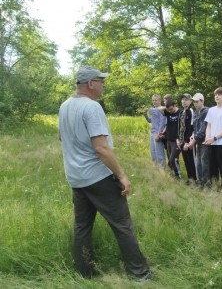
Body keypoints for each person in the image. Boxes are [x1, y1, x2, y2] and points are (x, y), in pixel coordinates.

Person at [58, 66, 152, 281]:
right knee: (122, 225)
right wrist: (121, 175)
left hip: (76, 178)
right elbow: (101, 148)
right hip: (98, 177)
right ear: (90, 83)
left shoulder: (64, 106)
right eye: (101, 81)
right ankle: (140, 273)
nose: (104, 85)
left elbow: (61, 137)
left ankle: (85, 273)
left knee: (82, 227)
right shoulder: (91, 107)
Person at [204, 87, 222, 188]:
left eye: (219, 94)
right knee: (212, 168)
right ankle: (214, 187)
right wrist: (208, 137)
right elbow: (209, 125)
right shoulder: (211, 110)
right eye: (215, 94)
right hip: (211, 143)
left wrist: (214, 138)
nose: (217, 96)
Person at [187, 93, 210, 188]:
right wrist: (192, 135)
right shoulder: (196, 112)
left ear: (202, 101)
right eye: (194, 102)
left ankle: (206, 183)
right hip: (197, 140)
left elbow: (203, 129)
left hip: (204, 140)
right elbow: (195, 128)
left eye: (197, 101)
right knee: (198, 161)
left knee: (204, 161)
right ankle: (200, 181)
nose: (195, 103)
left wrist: (193, 141)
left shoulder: (206, 111)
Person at [159, 99, 182, 179]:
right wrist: (166, 108)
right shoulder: (168, 112)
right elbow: (159, 109)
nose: (170, 111)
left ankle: (178, 176)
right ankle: (174, 173)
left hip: (177, 140)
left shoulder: (180, 113)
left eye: (171, 109)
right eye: (168, 109)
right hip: (169, 139)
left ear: (175, 105)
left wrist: (179, 138)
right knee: (171, 160)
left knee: (173, 159)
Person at [178, 93, 197, 183]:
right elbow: (180, 127)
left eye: (186, 99)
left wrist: (187, 141)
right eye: (182, 99)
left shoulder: (191, 111)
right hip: (181, 140)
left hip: (188, 141)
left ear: (190, 101)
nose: (183, 101)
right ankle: (189, 177)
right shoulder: (182, 112)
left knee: (191, 159)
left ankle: (194, 178)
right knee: (186, 159)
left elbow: (191, 127)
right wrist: (178, 139)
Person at [143, 94, 166, 166]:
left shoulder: (161, 109)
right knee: (153, 152)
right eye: (153, 100)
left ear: (160, 100)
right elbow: (150, 120)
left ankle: (162, 170)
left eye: (156, 100)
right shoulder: (154, 110)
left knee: (159, 153)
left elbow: (163, 123)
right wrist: (145, 114)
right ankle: (156, 169)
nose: (154, 102)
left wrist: (159, 134)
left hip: (157, 133)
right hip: (152, 133)